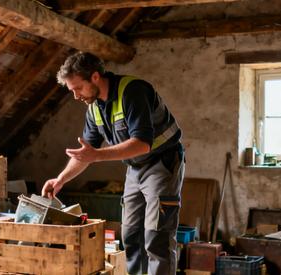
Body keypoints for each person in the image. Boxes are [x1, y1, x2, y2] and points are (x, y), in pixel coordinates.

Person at [41, 52, 185, 274]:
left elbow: (142, 144)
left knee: (157, 237)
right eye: (71, 91)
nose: (76, 96)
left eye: (78, 88)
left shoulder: (133, 91)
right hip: (135, 169)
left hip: (161, 163)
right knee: (130, 235)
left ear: (95, 77)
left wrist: (97, 155)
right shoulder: (94, 108)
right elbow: (85, 153)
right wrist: (60, 179)